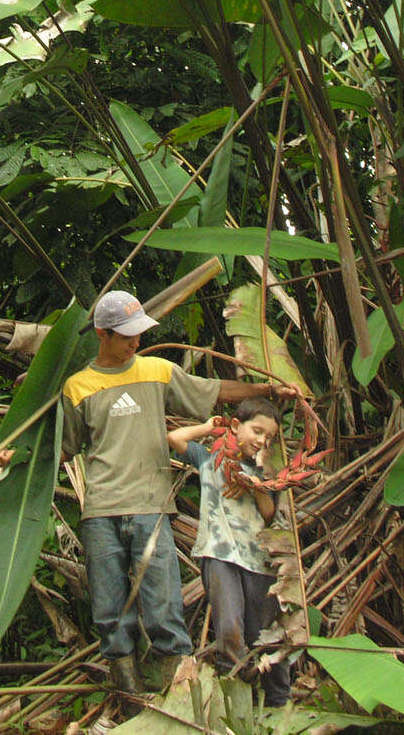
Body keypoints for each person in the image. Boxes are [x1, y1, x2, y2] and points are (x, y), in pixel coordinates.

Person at [61, 289, 294, 707]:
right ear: (102, 333)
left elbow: (214, 391)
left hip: (152, 506)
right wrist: (8, 456)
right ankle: (128, 691)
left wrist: (266, 389)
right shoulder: (77, 388)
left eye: (138, 333)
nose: (136, 342)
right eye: (127, 335)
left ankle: (180, 694)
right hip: (100, 510)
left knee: (163, 601)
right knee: (110, 605)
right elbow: (67, 447)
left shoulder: (156, 370)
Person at [166, 398, 292, 707]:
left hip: (259, 563)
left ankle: (279, 702)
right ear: (237, 426)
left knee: (265, 633)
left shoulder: (265, 472)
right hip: (220, 555)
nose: (262, 441)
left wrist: (253, 485)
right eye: (257, 431)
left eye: (269, 437)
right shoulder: (210, 460)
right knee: (229, 628)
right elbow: (175, 438)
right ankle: (237, 703)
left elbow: (267, 513)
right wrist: (209, 427)